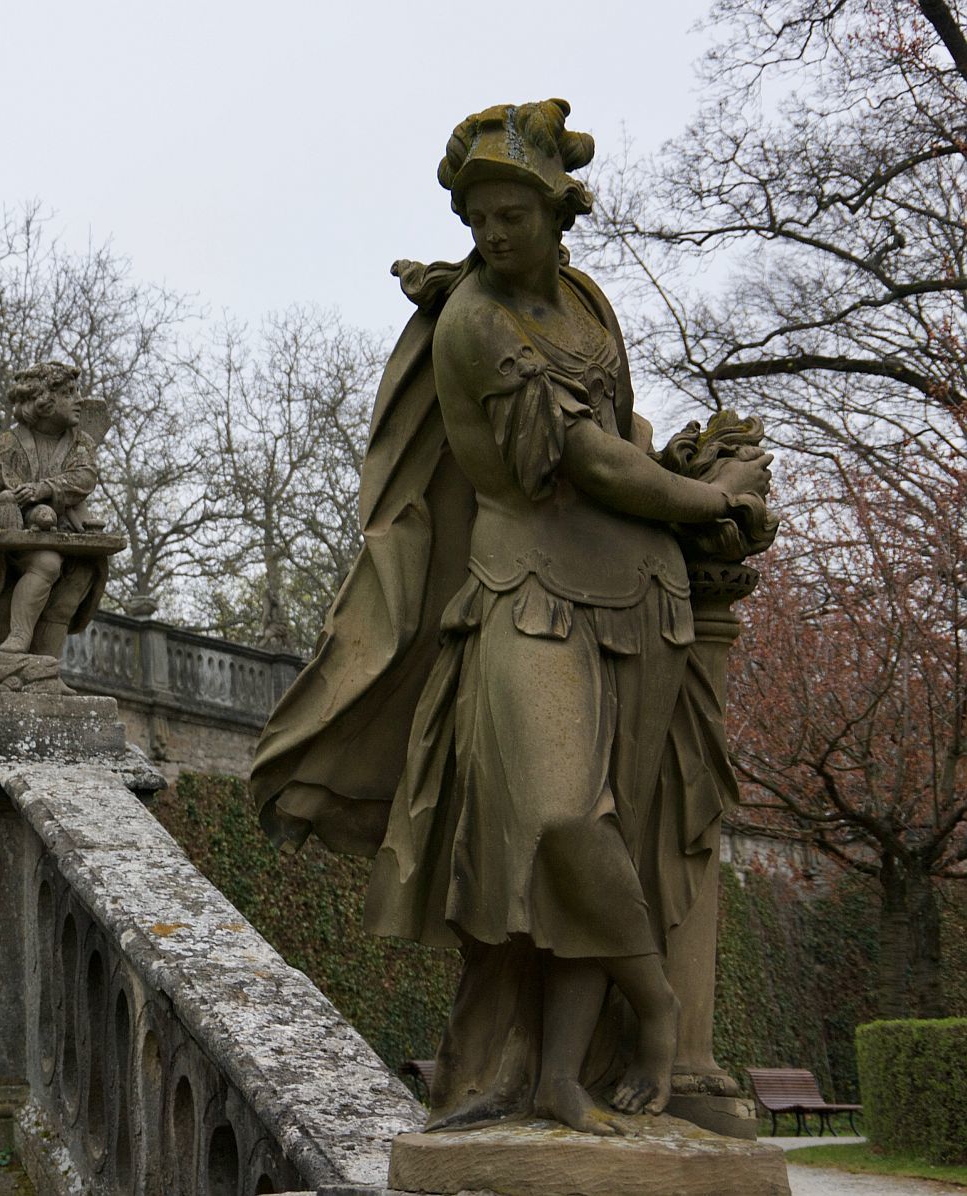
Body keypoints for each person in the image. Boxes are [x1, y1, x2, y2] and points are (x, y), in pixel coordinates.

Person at [249, 100, 772, 1136]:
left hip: (644, 597)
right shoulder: (476, 318)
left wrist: (690, 477)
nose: (491, 233)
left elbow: (622, 430)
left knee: (615, 823)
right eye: (477, 215)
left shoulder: (586, 301)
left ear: (556, 211)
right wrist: (712, 500)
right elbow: (583, 457)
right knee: (553, 818)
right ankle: (655, 1004)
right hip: (521, 591)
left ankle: (564, 1070)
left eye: (510, 214)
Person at [0, 361, 106, 657]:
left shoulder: (81, 441)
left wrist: (45, 488)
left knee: (70, 592)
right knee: (47, 563)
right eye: (68, 393)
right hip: (24, 537)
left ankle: (46, 668)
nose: (78, 401)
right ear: (45, 401)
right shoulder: (10, 442)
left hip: (72, 533)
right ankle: (18, 639)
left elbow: (85, 477)